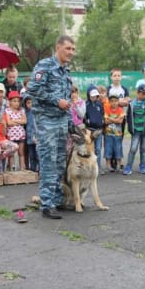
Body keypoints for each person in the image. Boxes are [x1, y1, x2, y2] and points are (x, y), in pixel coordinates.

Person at [27, 35, 75, 219]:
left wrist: (70, 123)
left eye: (73, 49)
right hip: (47, 120)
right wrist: (56, 101)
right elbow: (33, 88)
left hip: (62, 121)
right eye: (67, 48)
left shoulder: (65, 70)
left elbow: (67, 99)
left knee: (60, 162)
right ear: (58, 48)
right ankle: (47, 204)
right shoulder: (44, 66)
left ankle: (57, 199)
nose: (70, 52)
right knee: (48, 161)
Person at [123, 84, 145, 175]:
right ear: (138, 93)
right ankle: (128, 167)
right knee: (133, 149)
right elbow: (129, 116)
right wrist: (130, 128)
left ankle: (143, 166)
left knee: (144, 149)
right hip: (136, 130)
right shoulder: (132, 103)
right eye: (143, 93)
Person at [107, 68, 130, 171]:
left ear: (121, 77)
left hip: (121, 116)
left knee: (119, 138)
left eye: (118, 76)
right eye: (115, 76)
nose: (117, 77)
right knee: (109, 138)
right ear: (111, 77)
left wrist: (116, 103)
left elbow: (127, 102)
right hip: (110, 117)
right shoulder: (109, 89)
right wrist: (119, 102)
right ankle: (111, 160)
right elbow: (107, 103)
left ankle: (118, 159)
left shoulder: (124, 89)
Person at [85, 85, 105, 174]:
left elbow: (102, 114)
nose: (94, 98)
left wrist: (102, 123)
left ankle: (98, 166)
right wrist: (87, 122)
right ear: (88, 95)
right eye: (92, 96)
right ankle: (89, 167)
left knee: (98, 149)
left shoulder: (99, 104)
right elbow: (83, 116)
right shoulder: (86, 105)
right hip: (90, 130)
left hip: (99, 130)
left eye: (95, 96)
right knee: (89, 149)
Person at [5, 91, 27, 170]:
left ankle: (22, 169)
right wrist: (19, 120)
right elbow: (9, 122)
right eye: (14, 101)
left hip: (20, 134)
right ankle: (11, 169)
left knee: (21, 153)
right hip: (11, 135)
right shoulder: (7, 110)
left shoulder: (22, 110)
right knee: (11, 153)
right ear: (10, 102)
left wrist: (14, 120)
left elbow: (24, 121)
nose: (16, 103)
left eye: (18, 101)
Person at [104, 94, 124, 172]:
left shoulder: (120, 110)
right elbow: (106, 121)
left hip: (118, 134)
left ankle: (119, 165)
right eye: (112, 101)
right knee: (108, 149)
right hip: (108, 134)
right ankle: (108, 165)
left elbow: (120, 121)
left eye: (116, 101)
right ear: (109, 102)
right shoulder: (107, 109)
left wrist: (110, 118)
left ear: (118, 101)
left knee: (118, 149)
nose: (114, 103)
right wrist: (116, 119)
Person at [66, 86, 86, 154]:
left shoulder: (82, 102)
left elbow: (82, 115)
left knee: (80, 147)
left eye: (75, 92)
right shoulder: (67, 102)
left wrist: (76, 106)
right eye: (72, 92)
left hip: (79, 127)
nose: (74, 94)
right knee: (69, 148)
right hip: (69, 128)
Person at [23, 95, 38, 172]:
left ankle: (40, 170)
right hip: (29, 137)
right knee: (31, 155)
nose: (30, 104)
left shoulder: (38, 112)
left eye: (32, 102)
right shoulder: (25, 113)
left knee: (38, 154)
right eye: (28, 103)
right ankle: (32, 169)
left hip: (37, 137)